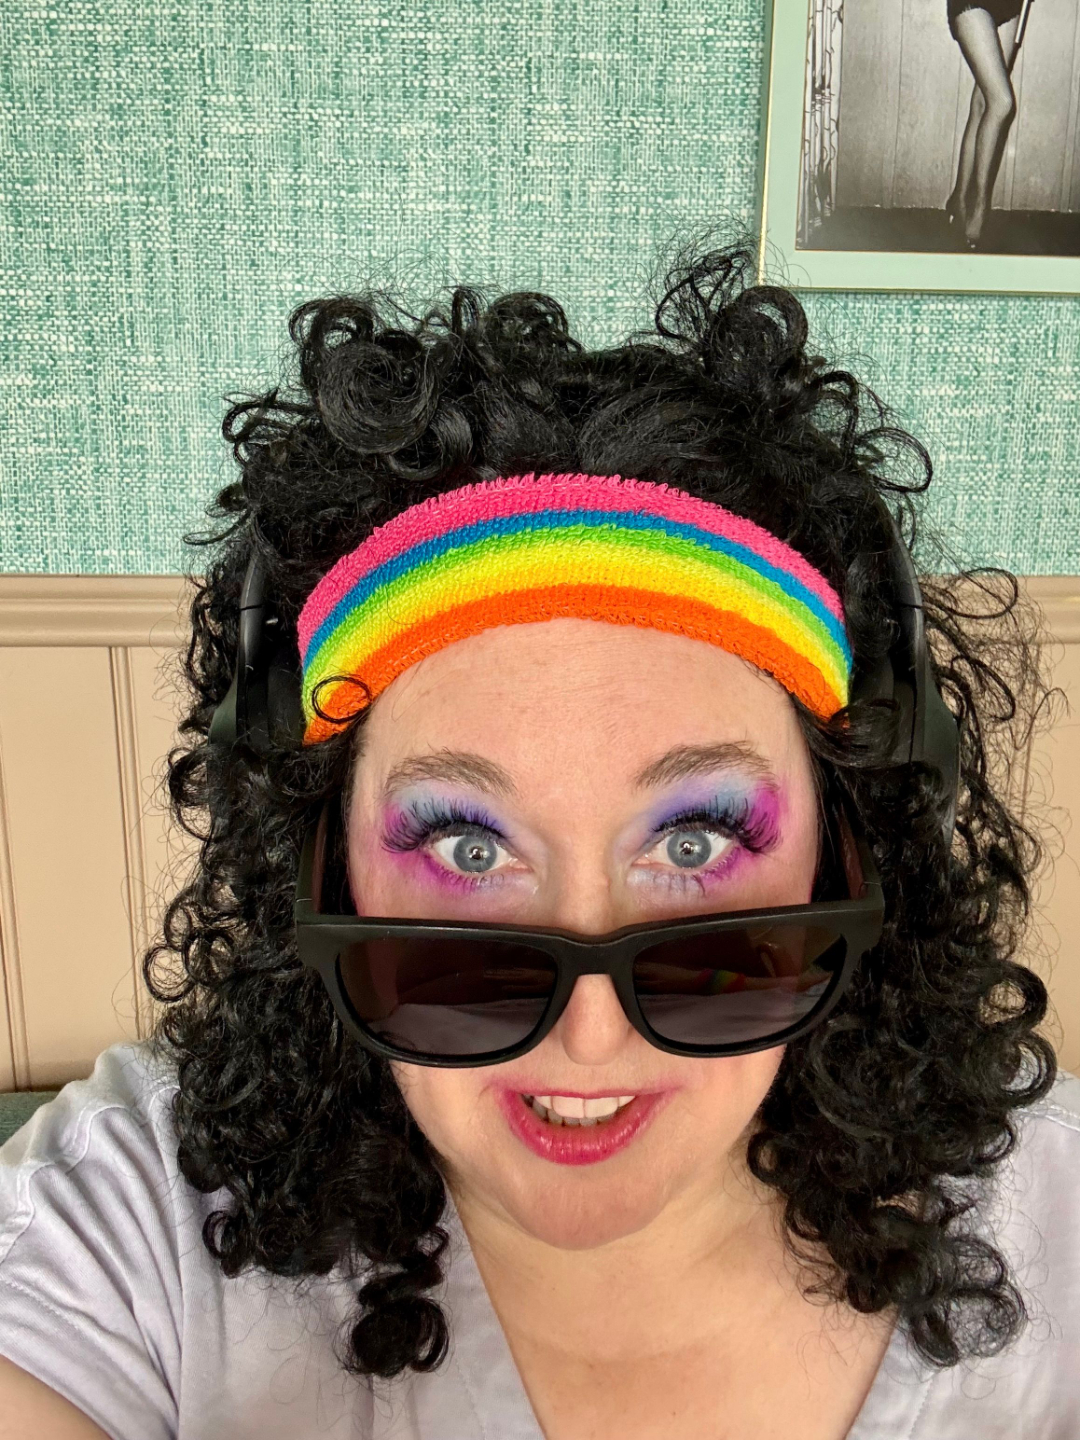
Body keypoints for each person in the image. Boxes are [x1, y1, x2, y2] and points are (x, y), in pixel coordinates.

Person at [0, 242, 1076, 1439]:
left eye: (695, 844)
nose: (591, 1034)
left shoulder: (1058, 1212)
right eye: (468, 848)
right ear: (319, 859)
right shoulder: (130, 1226)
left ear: (848, 843)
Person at [945, 0, 1027, 249]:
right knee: (1002, 102)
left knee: (984, 101)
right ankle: (979, 206)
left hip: (1010, 5)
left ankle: (959, 199)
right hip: (973, 4)